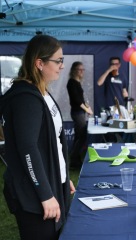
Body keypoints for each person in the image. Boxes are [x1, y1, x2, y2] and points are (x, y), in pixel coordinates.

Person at [0, 34, 76, 240]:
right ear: (39, 63)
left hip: (53, 184)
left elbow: (52, 143)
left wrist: (62, 177)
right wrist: (45, 194)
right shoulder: (26, 98)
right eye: (58, 60)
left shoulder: (41, 92)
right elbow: (28, 148)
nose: (62, 65)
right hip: (34, 195)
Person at [67, 62, 93, 169]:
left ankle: (76, 161)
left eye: (83, 69)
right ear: (74, 70)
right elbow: (77, 100)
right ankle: (73, 161)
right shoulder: (72, 83)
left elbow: (81, 99)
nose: (82, 71)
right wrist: (87, 109)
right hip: (77, 113)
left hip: (80, 112)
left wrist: (88, 107)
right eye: (79, 69)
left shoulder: (77, 82)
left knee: (79, 136)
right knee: (81, 137)